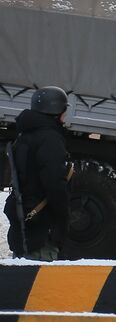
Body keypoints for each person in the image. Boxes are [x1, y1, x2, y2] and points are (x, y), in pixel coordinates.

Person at [3, 86, 71, 261]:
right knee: (42, 284)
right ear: (57, 111)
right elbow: (55, 184)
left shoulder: (24, 135)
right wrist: (62, 222)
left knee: (21, 282)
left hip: (23, 224)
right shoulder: (50, 139)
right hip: (40, 230)